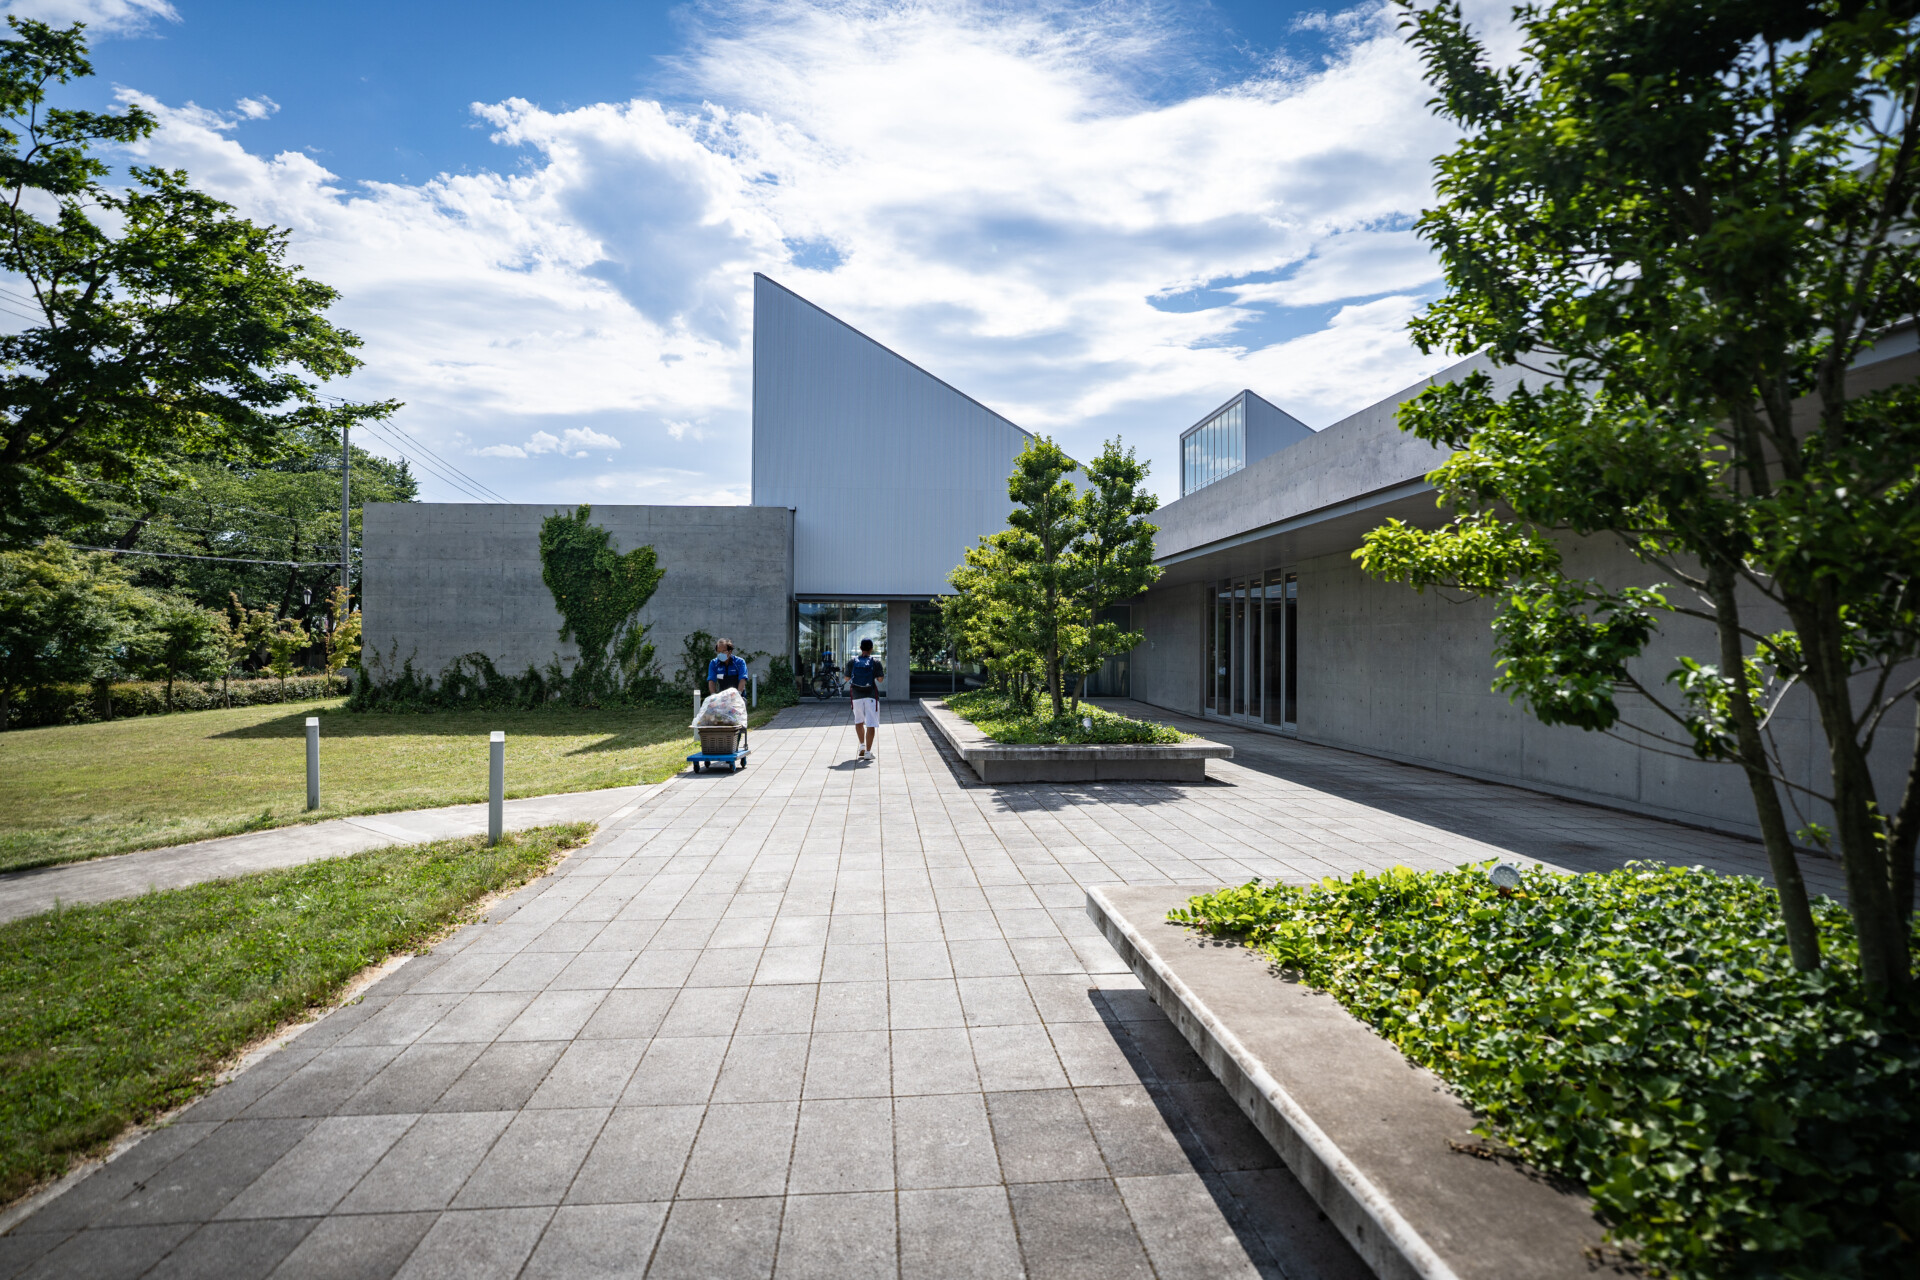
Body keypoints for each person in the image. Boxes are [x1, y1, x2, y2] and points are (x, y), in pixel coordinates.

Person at [847, 637, 884, 760]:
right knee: (871, 723)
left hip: (856, 696)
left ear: (860, 648)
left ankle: (862, 746)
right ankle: (868, 752)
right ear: (871, 649)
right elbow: (880, 679)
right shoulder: (875, 662)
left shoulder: (853, 661)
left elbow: (847, 678)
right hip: (871, 695)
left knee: (858, 721)